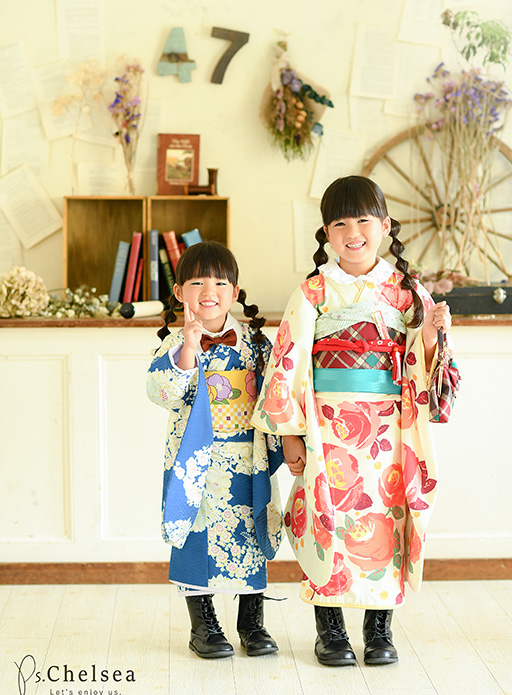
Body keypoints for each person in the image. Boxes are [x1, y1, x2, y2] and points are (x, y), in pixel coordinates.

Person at [252, 176, 459, 667]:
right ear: (326, 232)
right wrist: (291, 435)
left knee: (385, 520)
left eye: (364, 220)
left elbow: (426, 363)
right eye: (339, 222)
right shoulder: (313, 291)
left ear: (385, 226)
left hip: (388, 429)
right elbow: (290, 362)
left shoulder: (407, 293)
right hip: (326, 428)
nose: (352, 232)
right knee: (328, 520)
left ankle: (379, 629)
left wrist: (430, 335)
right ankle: (330, 631)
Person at [147, 241, 283, 660]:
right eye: (197, 281)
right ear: (179, 293)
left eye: (221, 281)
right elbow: (162, 392)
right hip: (197, 464)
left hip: (246, 458)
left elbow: (278, 396)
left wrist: (289, 444)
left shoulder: (257, 344)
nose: (210, 289)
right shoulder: (172, 345)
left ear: (236, 290)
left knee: (250, 534)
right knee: (195, 538)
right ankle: (203, 626)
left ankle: (252, 623)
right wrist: (187, 347)